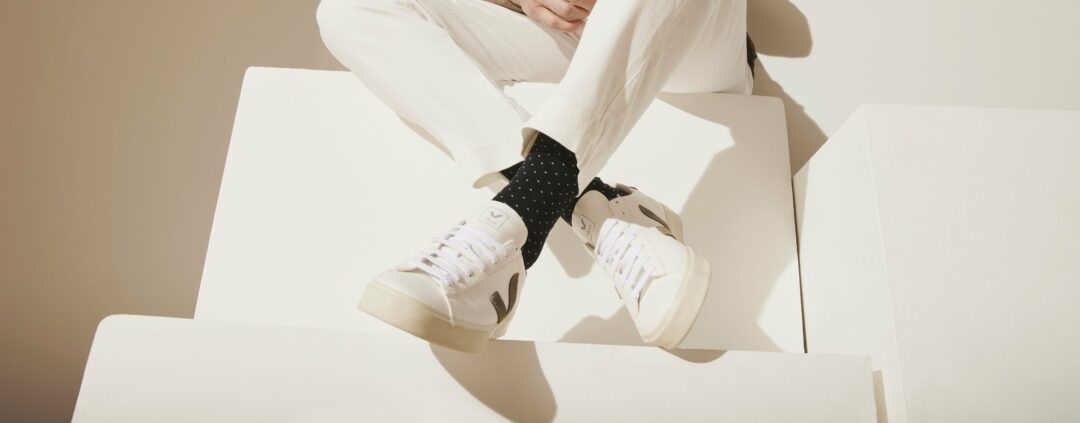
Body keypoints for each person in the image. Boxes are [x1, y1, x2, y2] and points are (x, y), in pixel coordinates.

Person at [316, 0, 756, 353]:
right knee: (349, 10)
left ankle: (520, 218)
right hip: (572, 34)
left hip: (692, 39)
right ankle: (602, 212)